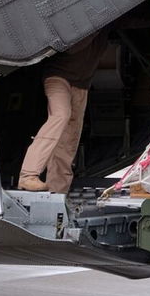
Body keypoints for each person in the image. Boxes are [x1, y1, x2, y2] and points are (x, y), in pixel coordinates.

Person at [17, 30, 110, 193]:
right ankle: (28, 175)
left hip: (81, 85)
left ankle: (57, 191)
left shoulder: (107, 24)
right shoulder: (84, 23)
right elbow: (70, 47)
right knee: (60, 115)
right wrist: (95, 28)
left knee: (70, 137)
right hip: (58, 77)